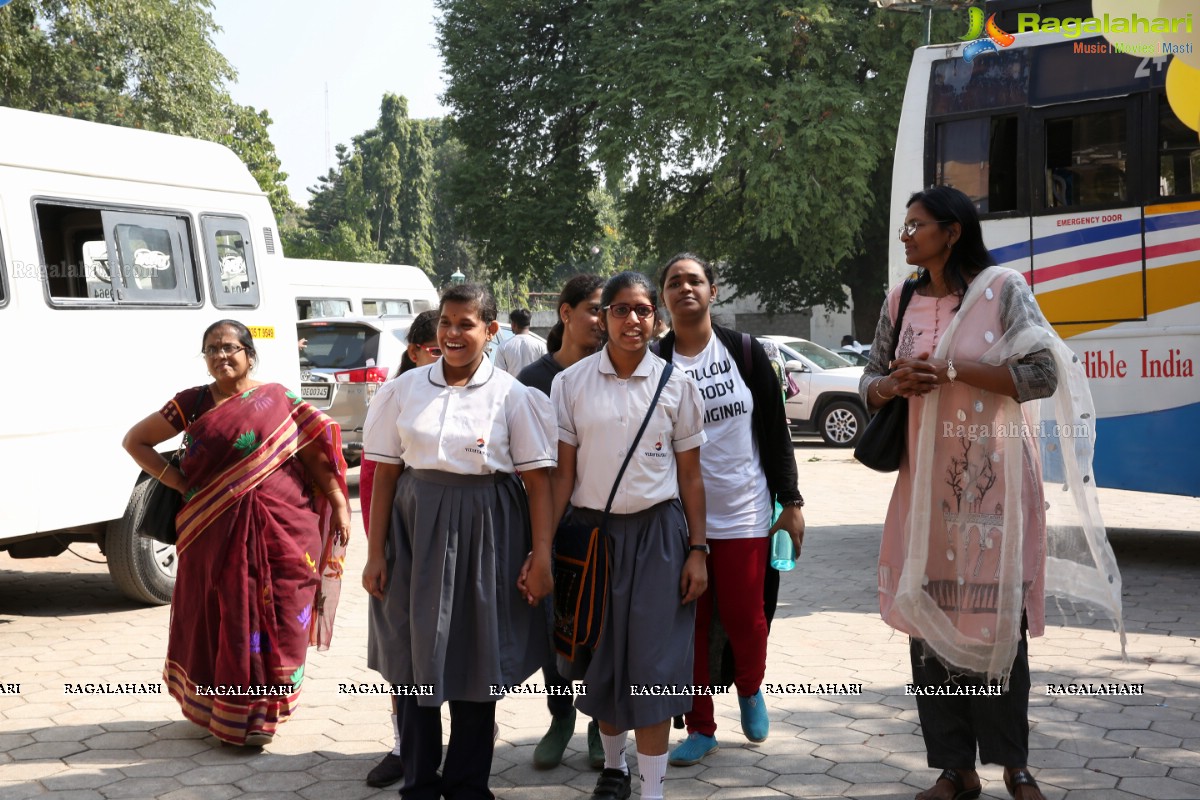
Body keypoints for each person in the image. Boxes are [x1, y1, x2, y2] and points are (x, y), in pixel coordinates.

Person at [861, 187, 1123, 800]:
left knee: (996, 621)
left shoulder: (1003, 290)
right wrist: (893, 385)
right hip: (925, 490)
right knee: (929, 620)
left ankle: (1015, 765)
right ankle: (955, 769)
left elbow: (1041, 373)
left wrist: (954, 369)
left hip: (995, 485)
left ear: (952, 232)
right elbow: (871, 377)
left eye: (916, 226)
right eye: (904, 226)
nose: (906, 237)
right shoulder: (899, 299)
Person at [362, 283, 556, 800]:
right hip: (413, 530)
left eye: (466, 324)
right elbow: (383, 472)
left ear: (490, 331)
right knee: (411, 660)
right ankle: (420, 782)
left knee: (476, 656)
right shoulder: (403, 390)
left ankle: (469, 784)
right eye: (446, 322)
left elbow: (538, 482)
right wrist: (375, 552)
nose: (452, 333)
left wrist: (541, 556)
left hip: (487, 533)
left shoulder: (514, 396)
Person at [122, 320, 350, 747]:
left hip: (285, 530)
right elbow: (135, 441)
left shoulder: (278, 398)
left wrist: (339, 502)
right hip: (211, 532)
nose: (220, 356)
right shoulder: (191, 403)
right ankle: (229, 713)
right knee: (221, 617)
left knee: (282, 616)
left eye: (229, 347)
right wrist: (176, 482)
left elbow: (316, 451)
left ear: (249, 352)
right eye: (211, 349)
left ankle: (266, 710)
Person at [525, 271, 708, 800]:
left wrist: (698, 551)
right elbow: (562, 476)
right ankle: (615, 769)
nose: (633, 320)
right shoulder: (570, 384)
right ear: (601, 318)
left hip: (659, 541)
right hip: (592, 541)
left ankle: (652, 789)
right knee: (601, 661)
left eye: (643, 310)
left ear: (657, 319)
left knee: (651, 667)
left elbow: (692, 477)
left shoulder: (677, 386)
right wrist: (543, 549)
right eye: (620, 309)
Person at [654, 253, 806, 767]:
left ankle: (749, 688)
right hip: (677, 519)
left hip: (744, 510)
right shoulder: (656, 363)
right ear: (664, 297)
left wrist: (792, 501)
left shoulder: (745, 352)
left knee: (746, 615)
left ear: (712, 291)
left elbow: (775, 433)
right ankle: (700, 725)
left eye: (694, 280)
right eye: (674, 282)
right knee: (690, 623)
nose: (685, 288)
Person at [515, 274, 608, 770]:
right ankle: (559, 717)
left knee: (600, 628)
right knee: (552, 627)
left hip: (603, 522)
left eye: (605, 310)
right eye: (593, 309)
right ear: (566, 314)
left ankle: (599, 723)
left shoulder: (617, 371)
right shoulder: (533, 381)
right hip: (548, 521)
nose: (601, 320)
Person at [357, 308, 440, 789]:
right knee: (401, 651)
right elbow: (372, 480)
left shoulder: (488, 391)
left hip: (456, 541)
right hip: (401, 544)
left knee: (458, 648)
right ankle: (403, 746)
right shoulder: (394, 398)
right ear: (414, 352)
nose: (447, 349)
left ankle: (475, 737)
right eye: (433, 345)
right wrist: (378, 551)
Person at [494, 307, 547, 375]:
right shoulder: (541, 346)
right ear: (529, 324)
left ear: (514, 324)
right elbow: (546, 372)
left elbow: (499, 374)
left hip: (512, 385)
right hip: (534, 385)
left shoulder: (504, 346)